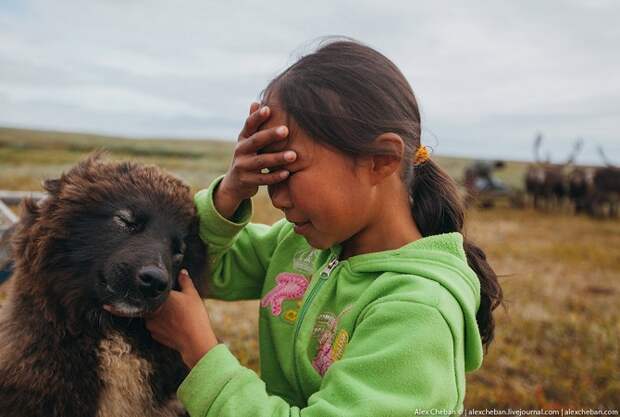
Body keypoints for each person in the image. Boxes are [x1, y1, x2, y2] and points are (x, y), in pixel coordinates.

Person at [142, 39, 503, 416]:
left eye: (291, 171)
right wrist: (229, 194)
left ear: (381, 160)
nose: (276, 197)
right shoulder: (301, 245)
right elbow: (197, 265)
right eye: (269, 173)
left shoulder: (416, 311)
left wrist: (200, 354)